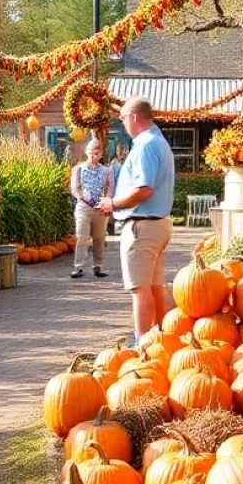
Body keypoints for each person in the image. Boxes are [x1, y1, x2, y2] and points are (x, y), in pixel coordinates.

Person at [96, 98, 175, 346]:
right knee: (154, 287)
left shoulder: (145, 145)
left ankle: (142, 342)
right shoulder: (158, 142)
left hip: (142, 225)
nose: (123, 124)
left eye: (122, 119)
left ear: (133, 117)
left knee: (139, 288)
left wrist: (113, 204)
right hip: (157, 223)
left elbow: (144, 189)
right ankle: (161, 337)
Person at [70, 138, 111, 279]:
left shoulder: (106, 170)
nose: (95, 156)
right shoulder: (78, 169)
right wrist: (84, 199)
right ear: (87, 152)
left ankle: (98, 266)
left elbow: (110, 187)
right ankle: (78, 266)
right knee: (81, 236)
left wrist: (106, 201)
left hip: (100, 209)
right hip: (84, 207)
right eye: (93, 153)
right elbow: (75, 189)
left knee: (99, 238)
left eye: (98, 153)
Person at [107, 144, 129, 235]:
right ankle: (113, 226)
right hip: (117, 191)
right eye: (125, 152)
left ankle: (111, 226)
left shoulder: (113, 164)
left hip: (116, 191)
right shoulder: (117, 165)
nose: (126, 154)